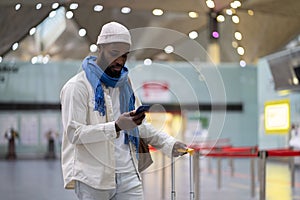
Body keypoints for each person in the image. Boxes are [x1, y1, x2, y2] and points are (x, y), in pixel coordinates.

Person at [60, 21, 187, 200]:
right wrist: (116, 127)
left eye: (124, 56)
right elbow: (75, 134)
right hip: (93, 179)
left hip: (129, 174)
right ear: (100, 48)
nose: (120, 61)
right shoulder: (77, 87)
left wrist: (169, 143)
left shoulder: (125, 84)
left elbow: (139, 126)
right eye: (114, 54)